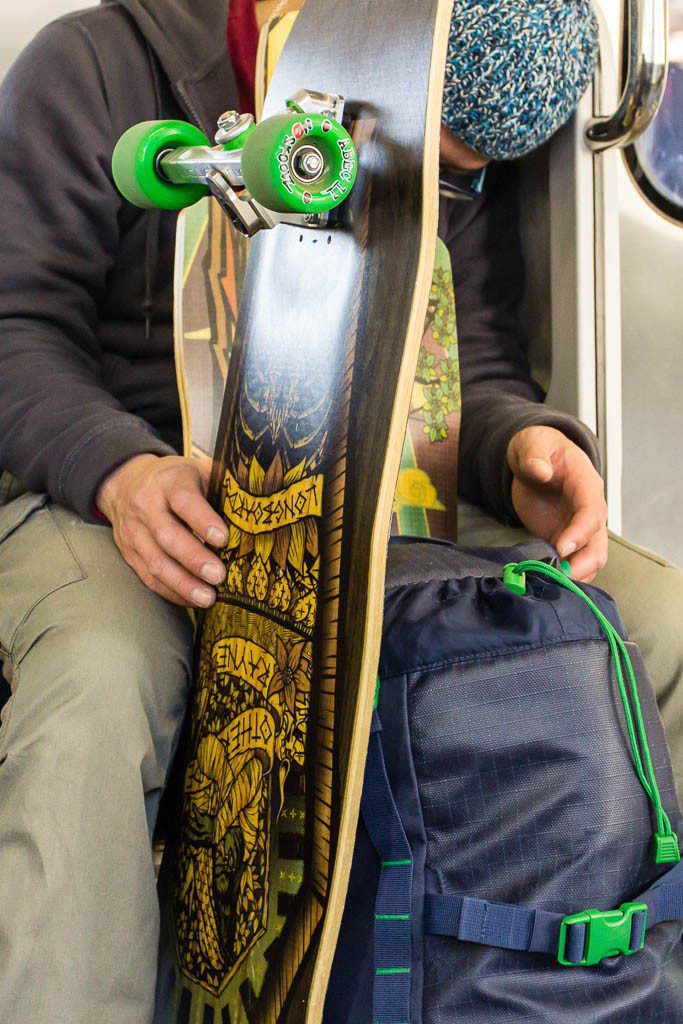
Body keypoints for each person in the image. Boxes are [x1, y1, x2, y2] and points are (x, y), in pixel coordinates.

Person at [0, 1, 681, 1022]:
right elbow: (17, 327)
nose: (454, 190)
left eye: (460, 178)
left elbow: (466, 345)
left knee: (655, 620)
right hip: (116, 481)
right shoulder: (96, 66)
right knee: (104, 678)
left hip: (367, 472)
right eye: (436, 162)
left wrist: (515, 447)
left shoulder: (445, 122)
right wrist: (118, 471)